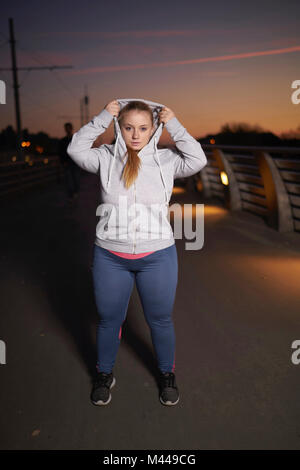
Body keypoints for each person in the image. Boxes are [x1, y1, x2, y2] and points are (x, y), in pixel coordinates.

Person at [67, 98, 207, 406]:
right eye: (128, 127)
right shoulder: (104, 157)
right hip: (110, 257)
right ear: (119, 127)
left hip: (157, 256)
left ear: (153, 129)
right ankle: (104, 374)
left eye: (143, 128)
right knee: (108, 320)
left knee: (159, 319)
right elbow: (75, 149)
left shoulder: (167, 160)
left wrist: (175, 123)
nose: (135, 134)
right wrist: (104, 115)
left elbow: (197, 159)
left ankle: (166, 375)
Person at [58, 122, 81, 203]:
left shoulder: (75, 140)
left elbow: (79, 151)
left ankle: (75, 192)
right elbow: (60, 153)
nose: (67, 130)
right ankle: (71, 195)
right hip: (67, 163)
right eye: (66, 128)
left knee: (76, 179)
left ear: (71, 129)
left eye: (68, 128)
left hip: (75, 163)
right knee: (68, 180)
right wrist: (62, 162)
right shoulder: (63, 141)